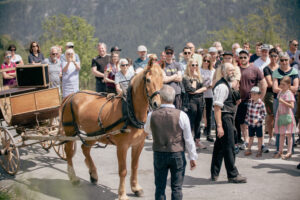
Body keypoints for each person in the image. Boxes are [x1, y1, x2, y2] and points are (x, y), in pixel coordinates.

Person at [144, 85, 197, 200]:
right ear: (173, 98)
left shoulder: (151, 114)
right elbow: (188, 139)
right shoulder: (181, 115)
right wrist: (192, 157)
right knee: (177, 188)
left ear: (161, 98)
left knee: (159, 187)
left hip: (159, 153)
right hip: (177, 153)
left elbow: (146, 130)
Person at [211, 63, 247, 183]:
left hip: (227, 117)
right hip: (224, 117)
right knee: (229, 147)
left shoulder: (228, 85)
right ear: (222, 73)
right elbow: (217, 107)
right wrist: (220, 126)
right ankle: (232, 175)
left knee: (220, 147)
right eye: (229, 70)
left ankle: (214, 173)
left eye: (233, 70)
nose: (232, 72)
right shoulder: (222, 87)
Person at [235, 49, 267, 151]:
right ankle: (246, 141)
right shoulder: (236, 69)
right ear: (238, 59)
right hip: (240, 101)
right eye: (241, 57)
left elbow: (264, 84)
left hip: (253, 101)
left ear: (249, 57)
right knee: (243, 123)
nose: (243, 59)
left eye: (245, 57)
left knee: (258, 123)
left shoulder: (255, 69)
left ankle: (261, 144)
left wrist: (260, 98)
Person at [272, 52, 299, 154]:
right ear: (280, 61)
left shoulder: (294, 71)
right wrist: (288, 88)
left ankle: (290, 149)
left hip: (290, 101)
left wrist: (282, 87)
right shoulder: (276, 72)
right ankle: (279, 149)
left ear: (289, 61)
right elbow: (274, 88)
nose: (284, 62)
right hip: (278, 102)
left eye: (286, 60)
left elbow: (296, 87)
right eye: (282, 60)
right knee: (279, 124)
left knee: (289, 124)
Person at [183, 59, 207, 149]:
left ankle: (197, 141)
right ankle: (188, 141)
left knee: (198, 122)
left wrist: (197, 90)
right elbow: (191, 90)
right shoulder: (186, 77)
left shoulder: (199, 76)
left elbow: (205, 87)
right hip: (191, 101)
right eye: (192, 65)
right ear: (189, 66)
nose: (195, 67)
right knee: (191, 122)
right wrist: (193, 78)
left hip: (200, 100)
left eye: (196, 65)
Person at [273, 76, 298, 160]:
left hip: (287, 115)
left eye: (283, 84)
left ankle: (289, 151)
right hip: (280, 115)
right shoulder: (280, 92)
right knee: (281, 134)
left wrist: (283, 101)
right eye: (281, 84)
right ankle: (280, 151)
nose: (281, 86)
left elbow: (292, 106)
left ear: (288, 85)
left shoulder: (289, 93)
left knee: (289, 134)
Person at [244, 86, 266, 157]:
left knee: (259, 137)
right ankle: (249, 149)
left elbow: (264, 114)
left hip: (258, 124)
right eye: (251, 94)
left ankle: (259, 150)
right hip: (251, 124)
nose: (252, 95)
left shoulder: (261, 104)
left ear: (259, 95)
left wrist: (259, 119)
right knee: (251, 137)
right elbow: (247, 113)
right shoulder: (250, 102)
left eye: (254, 94)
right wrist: (246, 121)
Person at [263, 48, 279, 145]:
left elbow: (287, 81)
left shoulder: (281, 67)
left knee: (281, 115)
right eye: (271, 55)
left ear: (277, 57)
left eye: (275, 56)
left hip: (281, 94)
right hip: (270, 94)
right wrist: (280, 84)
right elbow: (269, 83)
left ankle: (280, 135)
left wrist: (277, 85)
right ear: (269, 56)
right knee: (271, 115)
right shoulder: (266, 68)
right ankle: (271, 136)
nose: (273, 58)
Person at [200, 54, 215, 142]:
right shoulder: (199, 70)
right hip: (200, 94)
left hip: (209, 94)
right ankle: (198, 132)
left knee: (209, 114)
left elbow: (214, 82)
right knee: (200, 113)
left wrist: (209, 86)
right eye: (204, 60)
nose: (206, 62)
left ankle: (208, 133)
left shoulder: (213, 71)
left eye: (208, 61)